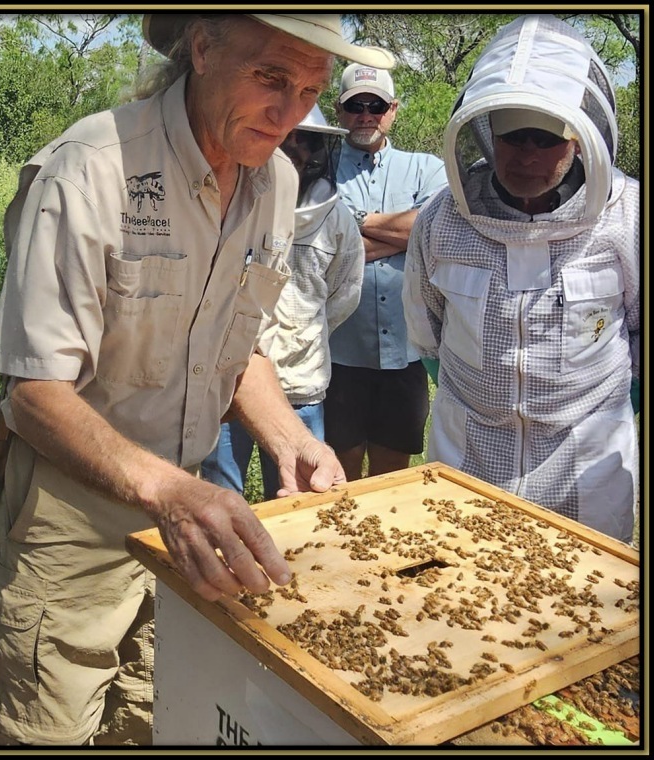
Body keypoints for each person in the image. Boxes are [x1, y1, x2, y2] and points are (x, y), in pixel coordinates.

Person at [0, 14, 393, 746]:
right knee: (48, 733)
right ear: (203, 47)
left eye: (309, 89)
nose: (290, 110)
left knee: (161, 718)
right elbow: (34, 393)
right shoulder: (92, 167)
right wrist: (168, 491)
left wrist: (290, 437)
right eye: (271, 77)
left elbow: (235, 351)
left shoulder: (278, 181)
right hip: (71, 525)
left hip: (189, 522)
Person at [402, 14, 639, 544]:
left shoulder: (628, 218)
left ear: (579, 140)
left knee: (585, 610)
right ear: (487, 134)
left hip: (588, 460)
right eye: (512, 135)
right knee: (464, 594)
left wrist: (615, 405)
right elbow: (427, 330)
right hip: (470, 450)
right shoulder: (442, 220)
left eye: (545, 138)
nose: (527, 154)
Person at [201, 105, 364, 500]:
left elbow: (344, 293)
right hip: (228, 382)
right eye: (286, 137)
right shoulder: (229, 200)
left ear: (317, 148)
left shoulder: (337, 219)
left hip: (301, 384)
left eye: (303, 139)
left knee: (302, 494)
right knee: (222, 497)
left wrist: (304, 334)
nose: (292, 149)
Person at [323, 63, 448, 480]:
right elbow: (324, 248)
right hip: (339, 353)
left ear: (392, 109)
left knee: (393, 475)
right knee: (338, 475)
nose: (365, 114)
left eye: (374, 104)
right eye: (355, 105)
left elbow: (433, 231)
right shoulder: (317, 169)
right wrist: (402, 235)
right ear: (339, 111)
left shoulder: (426, 168)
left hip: (407, 355)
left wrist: (353, 219)